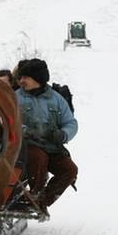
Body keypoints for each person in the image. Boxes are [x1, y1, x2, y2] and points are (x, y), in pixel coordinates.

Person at [15, 58, 78, 215]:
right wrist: (25, 131)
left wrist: (63, 135)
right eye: (20, 77)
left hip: (52, 146)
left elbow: (71, 122)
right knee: (38, 158)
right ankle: (35, 193)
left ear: (38, 78)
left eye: (25, 77)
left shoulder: (56, 99)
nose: (21, 81)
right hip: (26, 146)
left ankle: (40, 201)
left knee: (69, 170)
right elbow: (8, 120)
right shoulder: (15, 97)